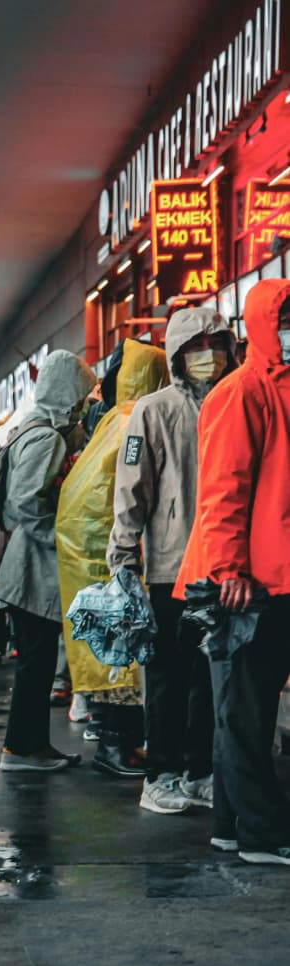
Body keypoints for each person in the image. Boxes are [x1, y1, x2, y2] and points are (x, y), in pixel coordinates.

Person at [175, 279, 290, 863]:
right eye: (287, 317)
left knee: (243, 707)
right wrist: (228, 570)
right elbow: (223, 490)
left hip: (275, 576)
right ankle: (262, 834)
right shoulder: (242, 391)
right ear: (263, 324)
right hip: (248, 582)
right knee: (245, 710)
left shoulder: (276, 389)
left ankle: (231, 822)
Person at [108, 308, 236, 814]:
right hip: (169, 565)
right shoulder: (152, 410)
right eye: (198, 343)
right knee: (166, 675)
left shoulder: (235, 401)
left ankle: (199, 771)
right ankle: (159, 774)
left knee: (208, 675)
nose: (210, 353)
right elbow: (131, 486)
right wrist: (123, 553)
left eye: (217, 341)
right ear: (179, 352)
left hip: (222, 564)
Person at [56, 339, 169, 778]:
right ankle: (116, 747)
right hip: (107, 554)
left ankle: (113, 740)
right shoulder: (133, 422)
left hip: (87, 550)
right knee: (123, 660)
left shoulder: (112, 420)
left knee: (112, 656)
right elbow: (130, 492)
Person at [0, 349, 95, 771]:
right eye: (81, 395)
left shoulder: (32, 427)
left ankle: (34, 746)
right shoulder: (45, 437)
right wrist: (60, 537)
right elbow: (25, 500)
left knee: (36, 661)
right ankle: (19, 749)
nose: (84, 404)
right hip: (32, 568)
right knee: (35, 663)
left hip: (26, 569)